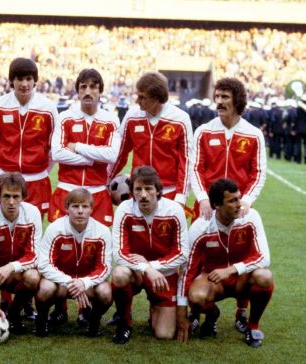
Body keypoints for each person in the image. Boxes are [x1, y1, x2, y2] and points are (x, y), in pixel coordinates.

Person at [190, 77, 267, 334]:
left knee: (242, 254)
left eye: (225, 97)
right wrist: (202, 198)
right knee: (198, 258)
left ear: (237, 100)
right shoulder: (203, 131)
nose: (219, 101)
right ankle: (198, 309)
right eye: (218, 96)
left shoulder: (253, 134)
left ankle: (242, 311)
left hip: (237, 207)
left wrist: (246, 201)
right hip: (207, 207)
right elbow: (196, 168)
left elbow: (258, 173)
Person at [177, 178, 273, 348]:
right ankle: (212, 315)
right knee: (196, 296)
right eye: (232, 200)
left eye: (239, 198)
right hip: (213, 281)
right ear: (216, 205)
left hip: (242, 279)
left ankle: (252, 327)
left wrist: (231, 269)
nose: (239, 204)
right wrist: (182, 312)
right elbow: (187, 270)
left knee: (265, 276)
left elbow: (264, 257)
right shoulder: (201, 227)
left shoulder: (250, 216)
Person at [110, 166, 188, 344]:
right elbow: (119, 254)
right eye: (138, 189)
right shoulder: (124, 209)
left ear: (158, 191)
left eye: (148, 189)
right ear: (132, 192)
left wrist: (154, 267)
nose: (143, 194)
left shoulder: (174, 210)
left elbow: (182, 253)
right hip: (136, 272)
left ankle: (156, 306)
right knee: (120, 274)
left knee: (165, 334)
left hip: (164, 275)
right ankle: (124, 323)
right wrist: (146, 268)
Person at [35, 188, 113, 337]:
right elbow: (44, 264)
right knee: (45, 288)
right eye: (75, 206)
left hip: (87, 285)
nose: (80, 211)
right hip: (60, 284)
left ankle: (93, 320)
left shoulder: (102, 231)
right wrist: (70, 282)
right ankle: (42, 320)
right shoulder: (55, 229)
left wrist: (84, 282)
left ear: (91, 209)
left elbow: (105, 267)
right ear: (67, 208)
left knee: (105, 292)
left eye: (85, 207)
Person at [110, 72, 193, 207]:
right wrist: (107, 181)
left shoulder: (180, 119)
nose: (137, 101)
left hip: (168, 193)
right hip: (138, 191)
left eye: (142, 97)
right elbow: (120, 153)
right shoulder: (132, 116)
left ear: (156, 98)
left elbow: (186, 160)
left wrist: (181, 197)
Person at [50, 68, 121, 226]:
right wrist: (93, 159)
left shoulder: (111, 120)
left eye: (93, 87)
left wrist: (77, 146)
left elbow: (111, 156)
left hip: (97, 191)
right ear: (77, 91)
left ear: (100, 91)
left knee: (96, 244)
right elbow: (57, 153)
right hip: (67, 188)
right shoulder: (65, 118)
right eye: (83, 87)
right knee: (63, 242)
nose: (88, 91)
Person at [0, 58, 57, 217]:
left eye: (29, 79)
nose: (24, 84)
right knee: (2, 229)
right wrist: (1, 172)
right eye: (19, 79)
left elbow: (53, 148)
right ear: (12, 80)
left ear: (35, 81)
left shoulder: (48, 108)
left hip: (37, 180)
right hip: (5, 178)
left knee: (33, 230)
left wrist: (39, 170)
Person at [0, 173, 42, 333]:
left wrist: (11, 267)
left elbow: (34, 255)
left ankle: (14, 311)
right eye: (6, 196)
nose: (11, 202)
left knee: (33, 277)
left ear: (23, 197)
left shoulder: (33, 213)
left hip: (17, 271)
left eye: (15, 196)